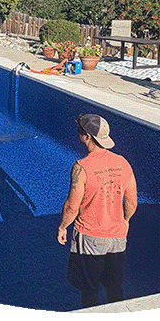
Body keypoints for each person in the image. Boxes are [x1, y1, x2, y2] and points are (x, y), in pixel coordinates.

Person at [57, 114, 137, 308]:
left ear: (87, 137)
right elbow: (132, 202)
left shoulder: (81, 167)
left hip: (90, 237)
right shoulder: (123, 163)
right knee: (114, 286)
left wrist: (62, 227)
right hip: (118, 236)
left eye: (80, 132)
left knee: (89, 289)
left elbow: (72, 206)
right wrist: (124, 221)